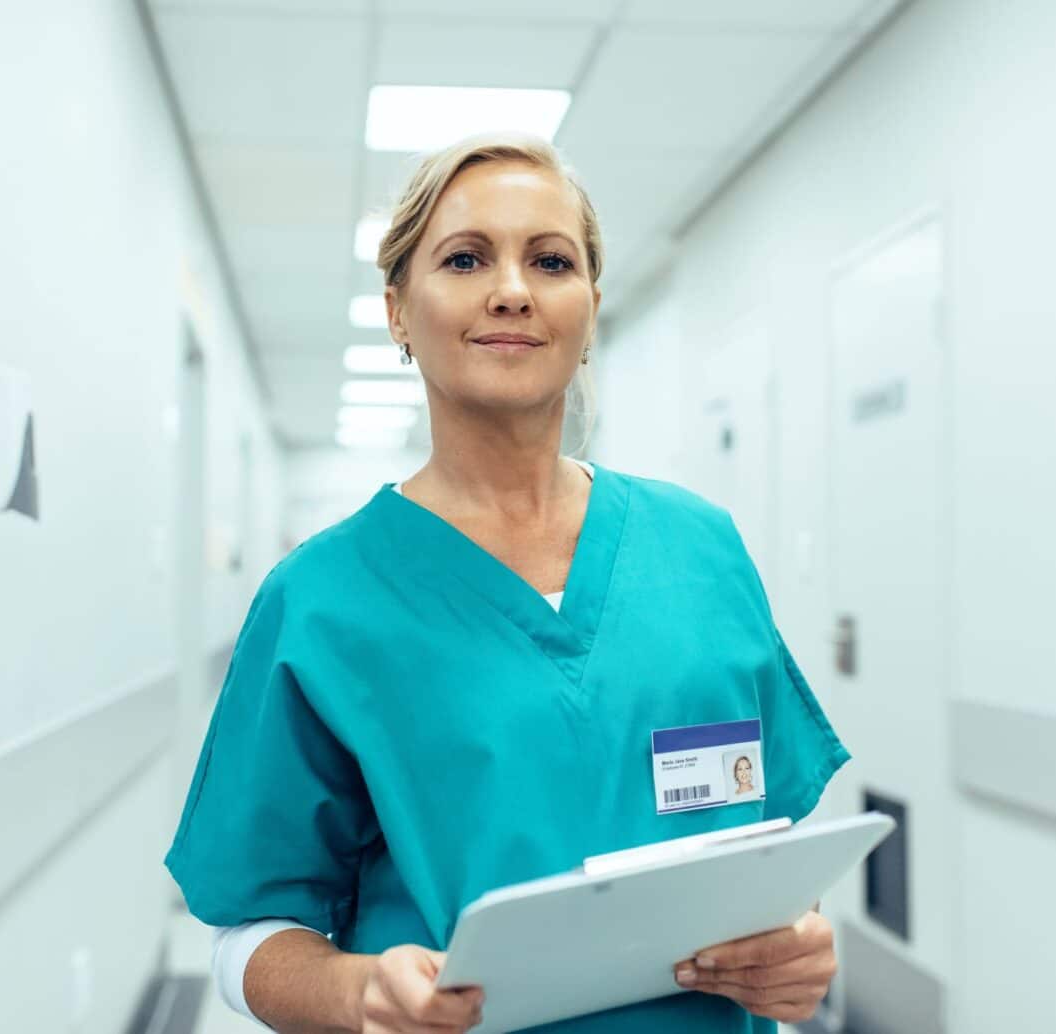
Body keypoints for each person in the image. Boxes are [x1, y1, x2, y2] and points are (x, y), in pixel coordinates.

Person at [164, 132, 852, 1034]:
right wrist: (357, 995)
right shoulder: (321, 599)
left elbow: (763, 855)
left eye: (551, 260)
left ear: (590, 308)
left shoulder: (701, 549)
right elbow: (250, 929)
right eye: (465, 257)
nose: (514, 289)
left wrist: (798, 950)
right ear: (398, 310)